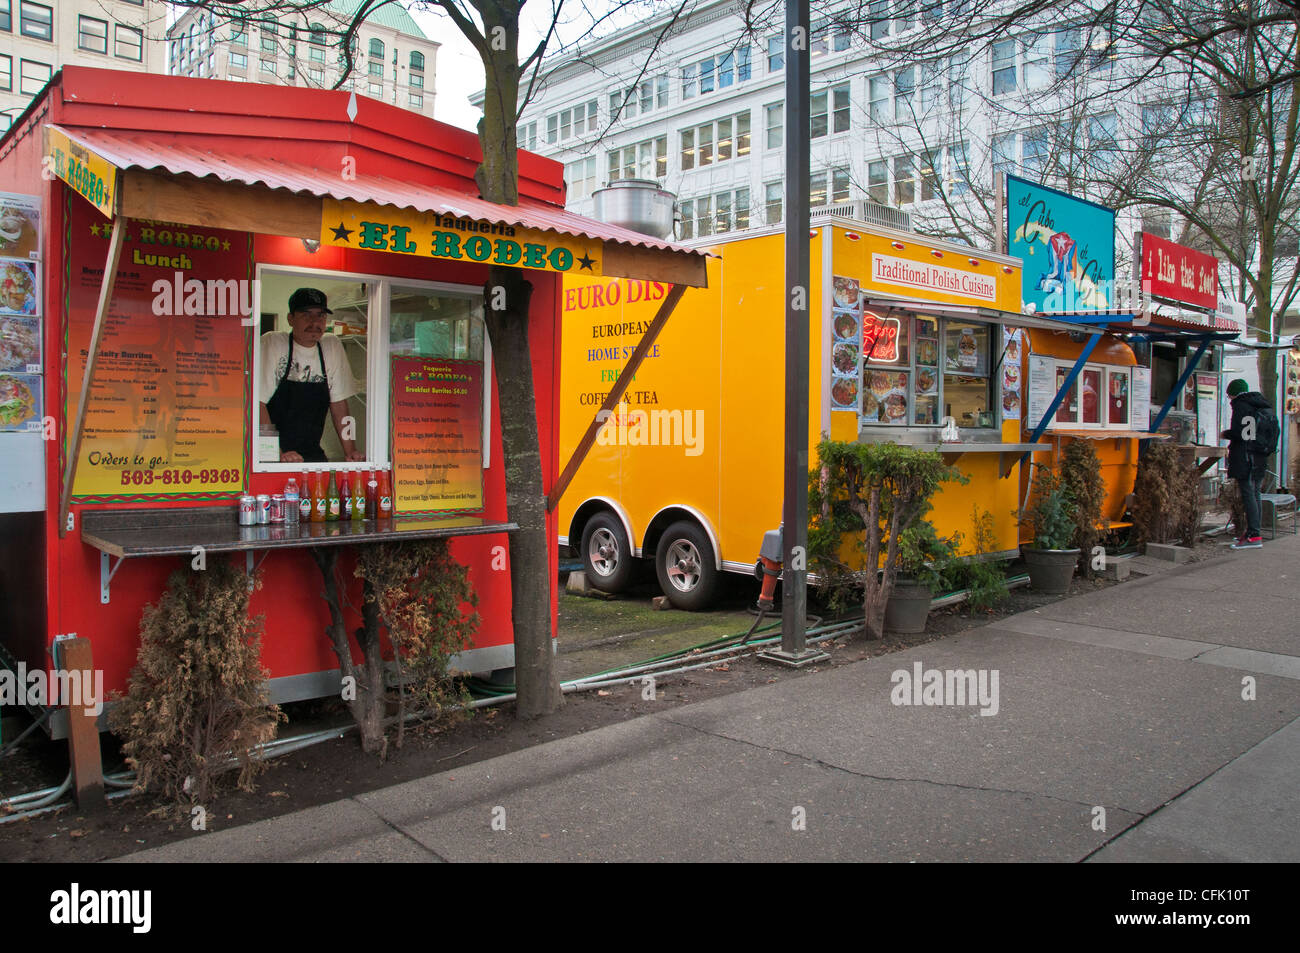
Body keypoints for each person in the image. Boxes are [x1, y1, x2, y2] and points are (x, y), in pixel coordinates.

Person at [259, 288, 365, 463]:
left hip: (311, 452)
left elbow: (340, 405)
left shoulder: (330, 346)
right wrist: (274, 454)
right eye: (306, 315)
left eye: (321, 315)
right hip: (272, 454)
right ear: (290, 319)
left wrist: (351, 450)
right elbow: (258, 404)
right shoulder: (274, 343)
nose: (315, 322)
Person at [1221, 377, 1275, 550]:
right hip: (1260, 457)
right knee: (1256, 493)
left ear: (1234, 394)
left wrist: (1227, 434)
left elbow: (1245, 434)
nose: (1230, 400)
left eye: (1230, 397)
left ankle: (1254, 535)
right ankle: (1254, 533)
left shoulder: (1242, 406)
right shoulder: (1262, 405)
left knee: (1249, 494)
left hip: (1247, 458)